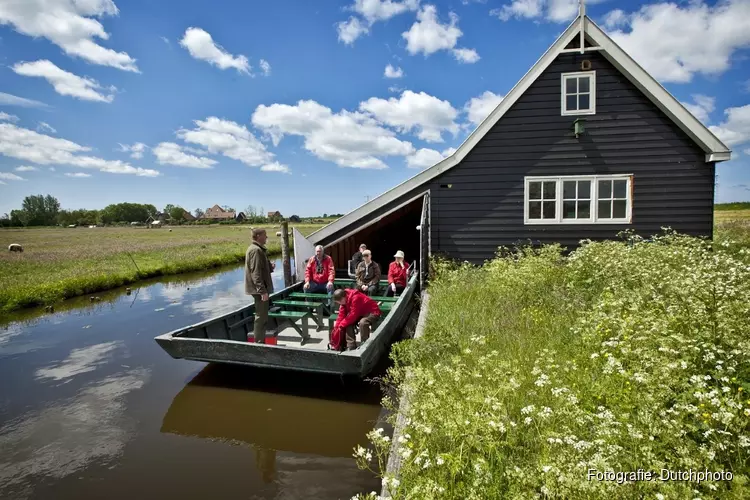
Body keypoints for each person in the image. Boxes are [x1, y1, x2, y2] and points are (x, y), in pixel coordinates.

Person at [245, 228, 275, 344]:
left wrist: (270, 267)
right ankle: (259, 343)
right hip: (259, 290)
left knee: (262, 316)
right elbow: (255, 273)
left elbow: (260, 269)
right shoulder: (255, 250)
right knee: (261, 318)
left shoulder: (258, 249)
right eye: (264, 235)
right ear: (258, 236)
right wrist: (262, 291)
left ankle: (260, 341)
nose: (266, 237)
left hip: (260, 289)